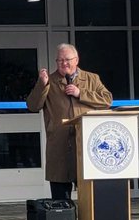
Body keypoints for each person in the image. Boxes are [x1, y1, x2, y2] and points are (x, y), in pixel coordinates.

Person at [26, 43, 113, 201]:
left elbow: (107, 100)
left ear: (76, 60)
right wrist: (42, 84)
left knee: (90, 200)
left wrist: (81, 93)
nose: (63, 63)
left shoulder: (92, 78)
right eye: (59, 60)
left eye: (67, 59)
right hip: (60, 145)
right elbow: (32, 106)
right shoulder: (49, 81)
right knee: (61, 200)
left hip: (87, 145)